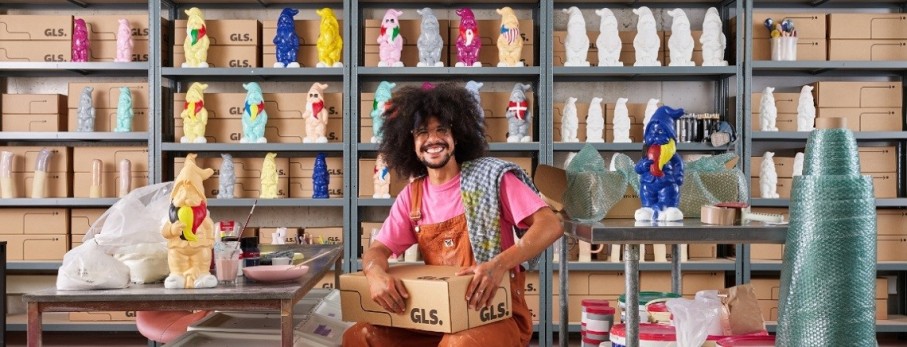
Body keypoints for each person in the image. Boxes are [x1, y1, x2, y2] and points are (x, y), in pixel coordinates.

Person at [342, 82, 563, 346]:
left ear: (456, 136)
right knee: (359, 336)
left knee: (459, 343)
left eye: (441, 130)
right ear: (410, 142)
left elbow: (550, 225)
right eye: (422, 132)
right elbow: (378, 250)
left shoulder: (491, 179)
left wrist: (499, 264)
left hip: (495, 314)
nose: (432, 139)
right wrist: (374, 273)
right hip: (439, 316)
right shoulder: (412, 197)